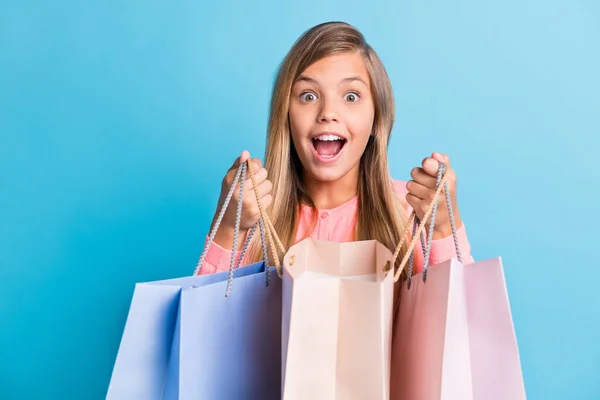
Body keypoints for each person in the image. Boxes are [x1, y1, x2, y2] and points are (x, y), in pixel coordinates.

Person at [196, 21, 473, 276]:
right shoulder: (252, 218)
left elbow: (464, 322)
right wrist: (229, 226)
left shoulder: (412, 211)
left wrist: (443, 227)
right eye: (309, 95)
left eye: (351, 96)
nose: (328, 112)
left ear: (377, 119)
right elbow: (205, 325)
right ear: (286, 115)